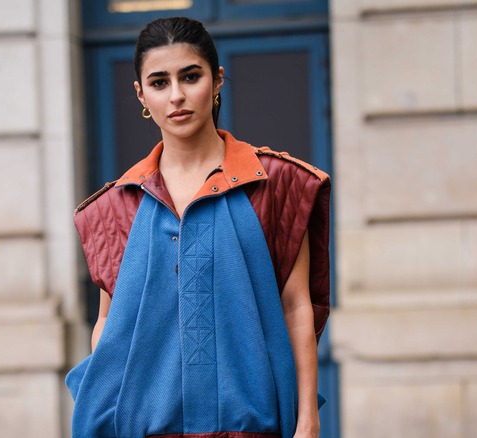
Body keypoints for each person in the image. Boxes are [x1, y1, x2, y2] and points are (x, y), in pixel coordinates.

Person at [66, 16, 331, 438]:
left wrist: (307, 421)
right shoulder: (116, 205)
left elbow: (296, 307)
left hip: (251, 426)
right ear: (140, 94)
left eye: (190, 76)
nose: (177, 96)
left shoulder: (277, 183)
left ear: (218, 79)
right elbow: (108, 323)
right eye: (159, 82)